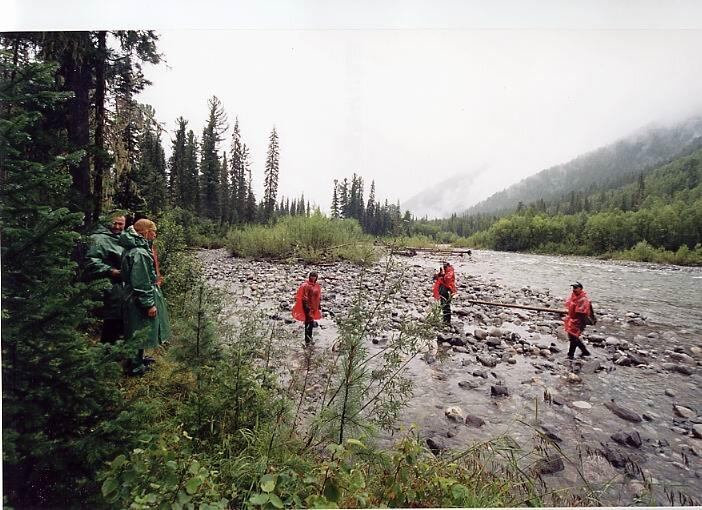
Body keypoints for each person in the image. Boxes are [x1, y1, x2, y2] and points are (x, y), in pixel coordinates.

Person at [119, 219, 172, 375]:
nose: (155, 234)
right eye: (153, 231)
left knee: (139, 328)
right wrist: (149, 304)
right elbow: (141, 282)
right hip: (136, 299)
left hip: (132, 296)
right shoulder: (140, 253)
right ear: (145, 233)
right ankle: (134, 367)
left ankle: (138, 360)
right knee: (137, 330)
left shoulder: (136, 249)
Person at [85, 212, 126, 342]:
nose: (118, 227)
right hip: (108, 285)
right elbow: (91, 261)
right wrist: (109, 271)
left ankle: (117, 352)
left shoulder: (123, 238)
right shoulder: (98, 239)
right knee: (111, 320)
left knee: (121, 319)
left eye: (121, 224)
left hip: (123, 285)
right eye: (115, 223)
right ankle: (106, 352)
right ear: (108, 222)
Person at [563, 281, 593, 360]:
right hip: (572, 319)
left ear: (581, 289)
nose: (574, 289)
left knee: (573, 338)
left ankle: (570, 354)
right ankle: (585, 351)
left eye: (576, 288)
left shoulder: (582, 299)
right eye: (573, 288)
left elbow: (581, 313)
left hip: (579, 321)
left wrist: (580, 325)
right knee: (573, 337)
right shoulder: (574, 297)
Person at [292, 271, 322, 345]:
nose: (313, 278)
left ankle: (309, 337)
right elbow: (303, 296)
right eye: (312, 276)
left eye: (315, 276)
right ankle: (307, 339)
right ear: (309, 276)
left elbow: (318, 296)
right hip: (307, 306)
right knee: (308, 322)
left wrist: (318, 305)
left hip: (314, 305)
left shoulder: (316, 285)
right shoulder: (305, 285)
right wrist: (306, 306)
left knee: (311, 322)